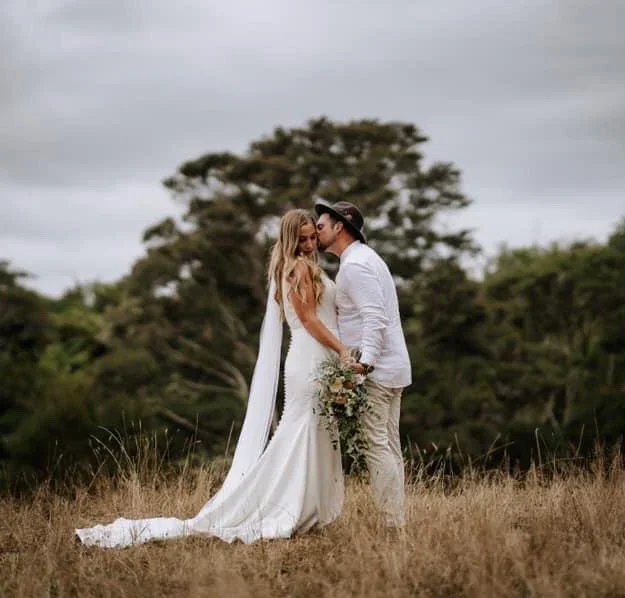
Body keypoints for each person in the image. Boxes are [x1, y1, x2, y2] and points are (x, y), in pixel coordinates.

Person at [75, 209, 347, 547]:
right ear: (290, 240)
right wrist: (343, 350)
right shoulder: (301, 268)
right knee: (301, 430)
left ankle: (302, 507)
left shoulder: (290, 267)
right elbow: (307, 319)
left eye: (311, 238)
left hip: (312, 356)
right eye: (302, 239)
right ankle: (282, 506)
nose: (309, 245)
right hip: (311, 355)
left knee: (309, 429)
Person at [315, 200, 412, 528]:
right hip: (392, 367)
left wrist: (365, 362)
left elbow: (375, 316)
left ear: (339, 227)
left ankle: (391, 522)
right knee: (388, 443)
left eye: (321, 227)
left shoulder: (355, 265)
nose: (317, 233)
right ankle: (396, 520)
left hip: (378, 370)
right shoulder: (366, 259)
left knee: (375, 445)